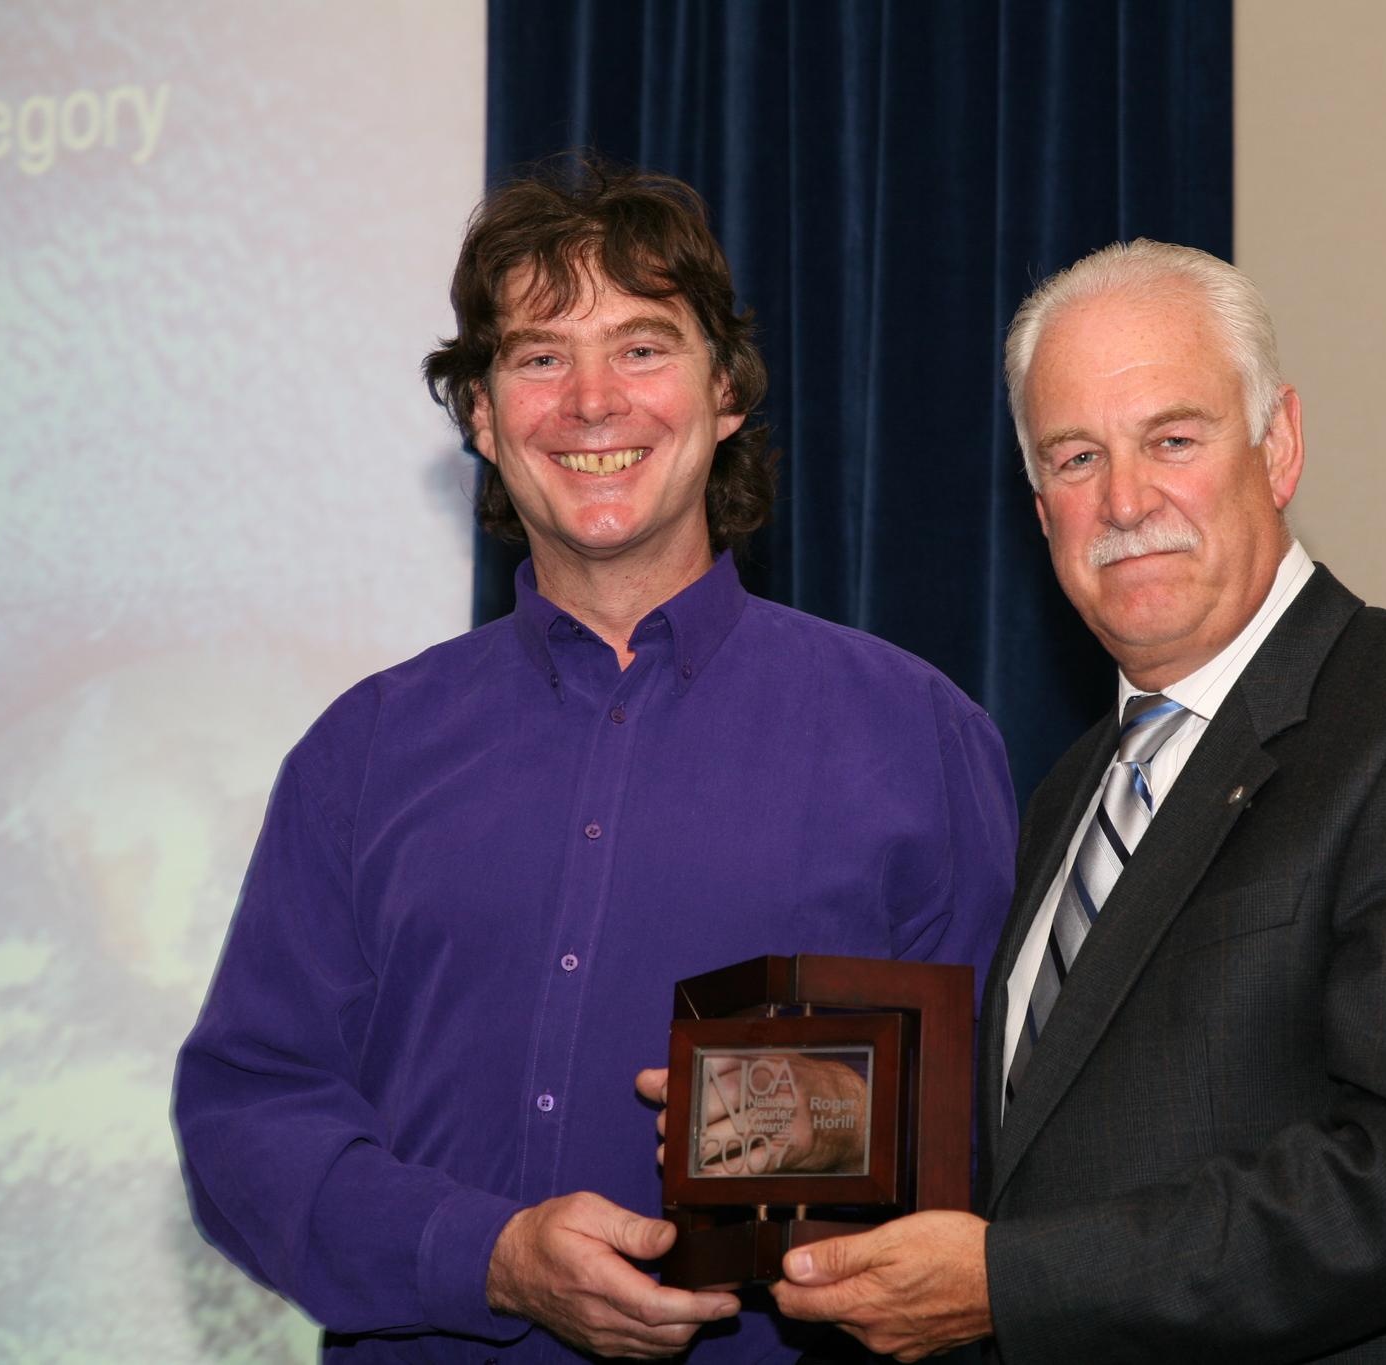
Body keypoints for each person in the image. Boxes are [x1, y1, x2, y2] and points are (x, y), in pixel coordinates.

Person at [172, 162, 1016, 1364]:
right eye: (537, 357)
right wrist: (485, 1257)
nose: (590, 402)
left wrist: (817, 1134)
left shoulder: (916, 735)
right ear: (480, 416)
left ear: (724, 393)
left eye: (640, 348)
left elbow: (996, 1140)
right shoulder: (360, 752)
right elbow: (247, 1116)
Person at [770, 241, 1386, 1363]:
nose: (1124, 500)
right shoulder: (1070, 790)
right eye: (1076, 457)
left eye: (1171, 439)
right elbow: (1059, 1136)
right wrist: (794, 1122)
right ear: (1040, 508)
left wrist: (1014, 1284)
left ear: (1279, 446)